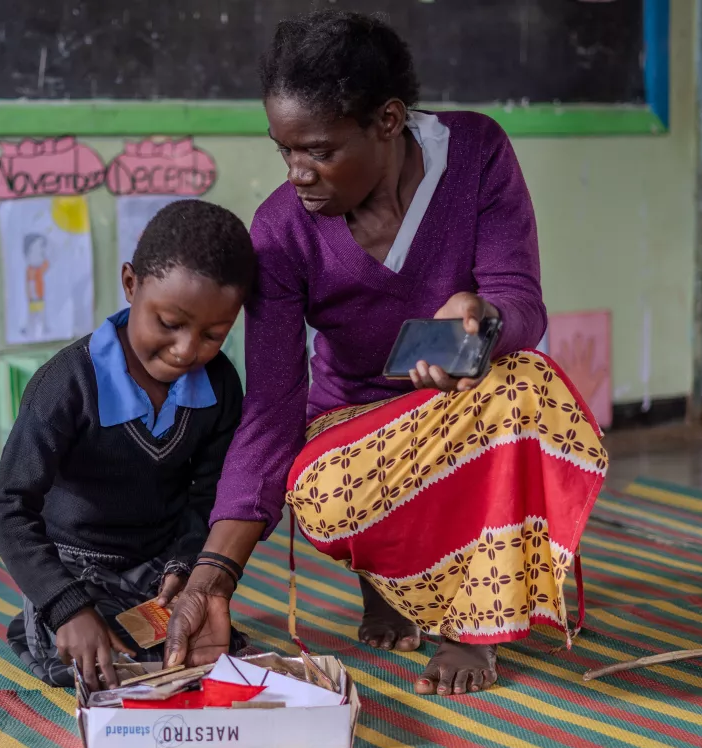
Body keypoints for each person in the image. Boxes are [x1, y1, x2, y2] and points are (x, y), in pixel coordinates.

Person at [164, 12, 608, 696]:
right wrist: (211, 576)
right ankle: (391, 575)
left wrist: (481, 317)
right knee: (318, 494)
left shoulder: (478, 153)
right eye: (285, 151)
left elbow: (522, 302)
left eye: (318, 150)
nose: (298, 173)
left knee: (525, 384)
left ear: (389, 120)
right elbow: (272, 411)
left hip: (460, 405)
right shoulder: (282, 232)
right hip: (356, 428)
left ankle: (473, 623)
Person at [0, 200, 256, 690]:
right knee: (83, 664)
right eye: (169, 323)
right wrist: (67, 604)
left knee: (202, 647)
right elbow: (8, 507)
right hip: (74, 560)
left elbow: (210, 496)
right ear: (131, 284)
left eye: (213, 334)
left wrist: (185, 566)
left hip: (159, 564)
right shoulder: (65, 385)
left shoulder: (219, 386)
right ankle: (46, 613)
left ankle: (91, 616)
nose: (186, 350)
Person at [23, 233, 50, 338]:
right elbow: (29, 284)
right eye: (38, 251)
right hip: (33, 298)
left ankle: (43, 327)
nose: (42, 254)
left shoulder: (39, 270)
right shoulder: (29, 271)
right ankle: (29, 327)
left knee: (41, 313)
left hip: (39, 296)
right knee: (32, 314)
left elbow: (46, 265)